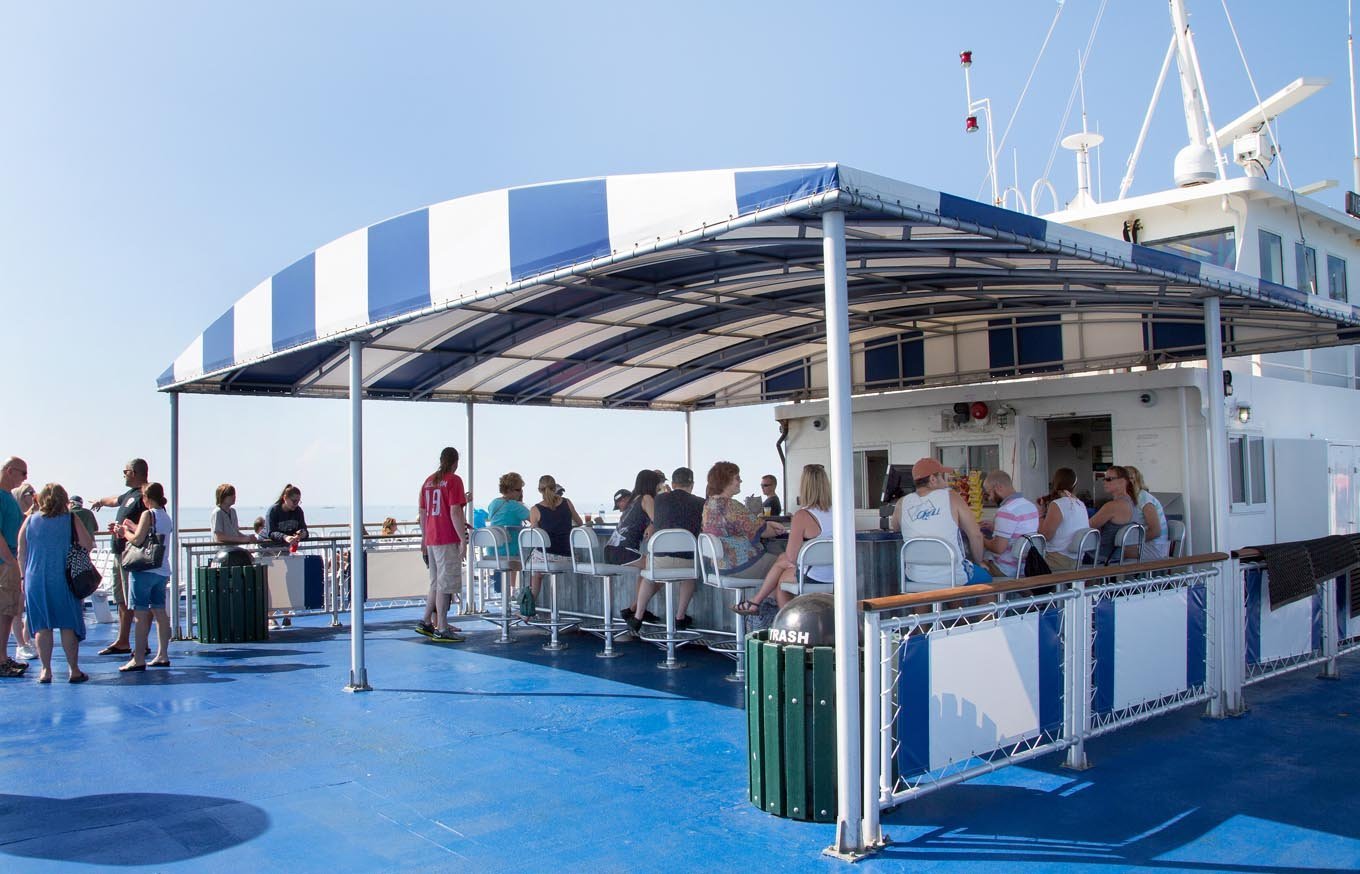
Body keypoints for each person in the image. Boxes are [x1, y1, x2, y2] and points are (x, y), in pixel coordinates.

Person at [17, 483, 94, 683]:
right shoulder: (70, 518)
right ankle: (74, 670)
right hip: (64, 578)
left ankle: (45, 671)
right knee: (68, 624)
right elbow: (88, 544)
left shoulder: (30, 520)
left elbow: (21, 551)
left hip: (35, 578)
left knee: (43, 626)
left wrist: (23, 577)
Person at [734, 464, 832, 614]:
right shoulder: (840, 511)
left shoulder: (803, 516)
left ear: (804, 486)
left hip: (815, 575)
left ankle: (790, 627)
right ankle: (755, 602)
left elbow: (792, 557)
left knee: (781, 582)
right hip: (838, 573)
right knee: (781, 559)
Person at [626, 466, 705, 632]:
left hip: (660, 562)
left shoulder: (660, 499)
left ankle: (638, 616)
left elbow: (658, 519)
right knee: (690, 578)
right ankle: (680, 617)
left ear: (674, 483)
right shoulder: (700, 502)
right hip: (687, 562)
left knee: (649, 577)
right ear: (692, 484)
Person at [892, 458, 991, 586]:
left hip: (916, 576)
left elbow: (895, 528)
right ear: (933, 479)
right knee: (987, 581)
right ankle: (958, 607)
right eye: (943, 477)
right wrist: (979, 561)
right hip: (952, 575)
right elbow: (976, 535)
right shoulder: (951, 496)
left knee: (922, 587)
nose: (946, 482)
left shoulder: (901, 503)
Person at [90, 457, 149, 657]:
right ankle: (123, 641)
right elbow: (114, 500)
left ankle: (142, 642)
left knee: (136, 600)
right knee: (122, 599)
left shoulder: (145, 495)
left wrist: (127, 531)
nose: (123, 474)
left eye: (125, 471)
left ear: (134, 472)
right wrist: (99, 501)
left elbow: (150, 523)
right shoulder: (129, 495)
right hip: (119, 553)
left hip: (131, 554)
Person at [701, 461, 786, 590]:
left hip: (719, 566)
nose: (740, 481)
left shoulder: (708, 505)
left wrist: (767, 524)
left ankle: (760, 604)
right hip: (741, 565)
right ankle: (765, 605)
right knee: (787, 565)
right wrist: (776, 529)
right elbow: (763, 531)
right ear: (726, 480)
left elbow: (749, 525)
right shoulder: (732, 505)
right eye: (737, 478)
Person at [117, 481, 174, 672]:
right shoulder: (165, 516)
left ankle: (138, 657)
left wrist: (124, 531)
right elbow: (151, 535)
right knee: (160, 612)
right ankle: (163, 654)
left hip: (144, 570)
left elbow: (138, 540)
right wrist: (134, 526)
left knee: (140, 614)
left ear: (147, 498)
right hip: (162, 569)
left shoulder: (147, 514)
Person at [416, 447, 468, 642]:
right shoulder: (454, 481)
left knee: (435, 582)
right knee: (445, 584)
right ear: (455, 462)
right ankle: (442, 627)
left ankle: (426, 621)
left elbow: (422, 512)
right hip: (446, 538)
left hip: (431, 537)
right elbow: (455, 511)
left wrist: (424, 536)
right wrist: (462, 538)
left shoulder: (428, 481)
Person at [526, 474, 582, 605]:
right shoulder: (567, 502)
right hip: (568, 557)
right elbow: (579, 523)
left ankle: (528, 607)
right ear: (555, 487)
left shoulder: (535, 509)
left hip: (547, 559)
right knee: (537, 564)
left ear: (539, 490)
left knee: (535, 566)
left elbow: (535, 536)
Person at [0, 457, 30, 677]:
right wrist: (11, 560)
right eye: (23, 473)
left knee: (9, 611)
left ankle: (2, 655)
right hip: (5, 562)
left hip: (9, 560)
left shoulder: (8, 497)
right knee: (4, 611)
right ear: (10, 471)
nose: (25, 478)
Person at [980, 470, 1040, 578]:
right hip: (1029, 566)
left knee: (971, 567)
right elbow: (1019, 533)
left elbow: (998, 548)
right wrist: (995, 528)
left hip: (1006, 570)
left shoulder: (1006, 510)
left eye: (989, 493)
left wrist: (980, 539)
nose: (989, 498)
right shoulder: (1030, 505)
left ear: (998, 488)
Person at [605, 469, 662, 566]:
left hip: (610, 551)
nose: (659, 487)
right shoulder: (647, 498)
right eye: (658, 484)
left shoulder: (633, 500)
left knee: (648, 569)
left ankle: (641, 582)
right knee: (657, 568)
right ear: (652, 484)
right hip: (623, 551)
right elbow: (658, 521)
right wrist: (652, 525)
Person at [485, 471, 530, 596]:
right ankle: (517, 593)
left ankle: (508, 593)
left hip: (492, 550)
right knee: (530, 559)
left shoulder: (493, 503)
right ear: (510, 490)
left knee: (513, 552)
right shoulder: (514, 506)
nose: (521, 492)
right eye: (518, 489)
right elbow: (535, 518)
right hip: (509, 552)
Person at [1038, 467, 1091, 571]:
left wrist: (1040, 515)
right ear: (1075, 485)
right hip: (1078, 560)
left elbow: (1045, 536)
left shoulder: (1058, 504)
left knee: (1024, 565)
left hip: (1057, 560)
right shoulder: (1080, 504)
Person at [1091, 465, 1137, 564]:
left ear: (1122, 481)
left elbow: (1087, 526)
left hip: (1102, 557)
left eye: (1109, 479)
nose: (1104, 482)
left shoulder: (1113, 506)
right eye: (1104, 479)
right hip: (1118, 555)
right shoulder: (1132, 502)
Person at [1124, 465, 1170, 560]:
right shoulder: (1131, 499)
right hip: (1144, 544)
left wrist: (1132, 541)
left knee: (1114, 552)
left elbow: (1155, 531)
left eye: (1131, 478)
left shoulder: (1144, 499)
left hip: (1155, 548)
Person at [264, 484, 309, 551]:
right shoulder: (273, 511)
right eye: (294, 501)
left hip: (284, 548)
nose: (296, 504)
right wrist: (285, 537)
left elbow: (304, 529)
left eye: (298, 501)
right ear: (285, 498)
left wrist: (303, 533)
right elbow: (271, 532)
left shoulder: (298, 511)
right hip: (266, 548)